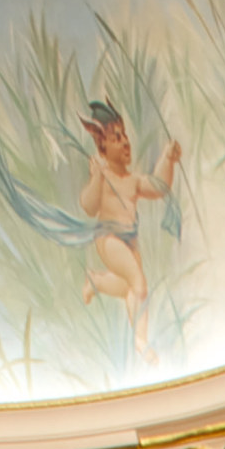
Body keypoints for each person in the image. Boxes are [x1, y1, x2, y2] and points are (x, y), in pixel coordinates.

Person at [79, 98, 180, 355]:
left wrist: (168, 158)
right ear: (102, 146)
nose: (125, 142)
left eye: (124, 135)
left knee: (127, 289)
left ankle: (97, 280)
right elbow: (88, 206)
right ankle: (141, 341)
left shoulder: (132, 180)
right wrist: (96, 177)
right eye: (116, 138)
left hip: (130, 240)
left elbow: (159, 187)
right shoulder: (105, 176)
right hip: (109, 238)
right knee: (139, 282)